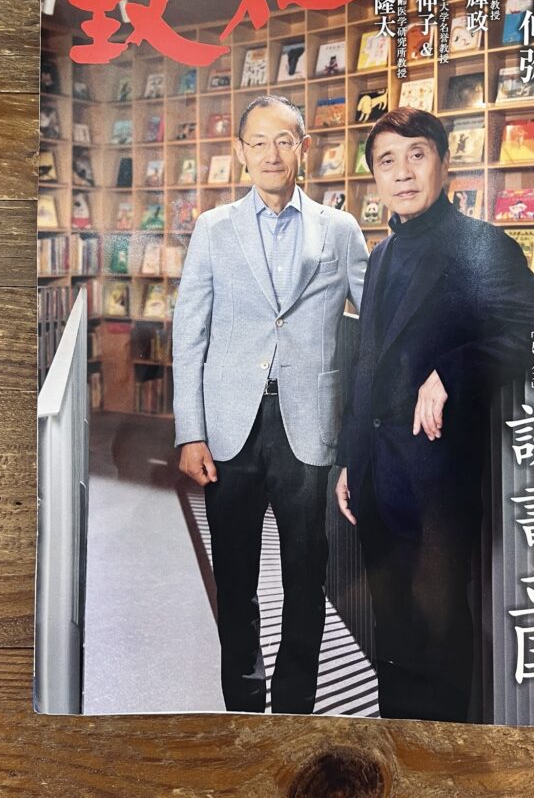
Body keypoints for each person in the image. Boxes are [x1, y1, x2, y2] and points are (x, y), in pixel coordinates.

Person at [335, 107, 534, 722]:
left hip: (437, 491)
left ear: (444, 164)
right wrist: (349, 460)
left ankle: (443, 765)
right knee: (393, 646)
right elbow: (368, 364)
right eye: (387, 161)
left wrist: (455, 370)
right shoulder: (383, 255)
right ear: (375, 179)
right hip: (377, 484)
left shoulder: (479, 244)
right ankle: (399, 757)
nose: (403, 172)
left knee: (439, 646)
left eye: (416, 155)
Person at [173, 95, 368, 714]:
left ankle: (294, 709)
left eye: (284, 141)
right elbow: (190, 333)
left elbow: (378, 322)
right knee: (235, 578)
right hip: (229, 428)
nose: (271, 154)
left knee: (306, 577)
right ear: (241, 152)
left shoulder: (340, 229)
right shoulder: (214, 228)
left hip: (308, 426)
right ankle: (242, 705)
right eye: (258, 142)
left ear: (304, 148)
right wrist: (189, 432)